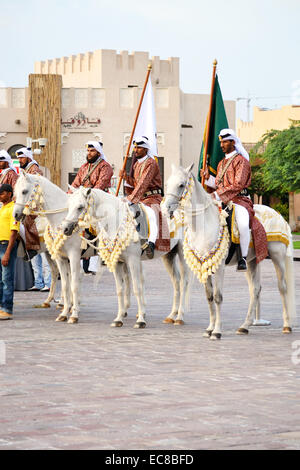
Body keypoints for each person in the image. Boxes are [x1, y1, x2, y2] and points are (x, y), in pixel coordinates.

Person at [201, 128, 268, 270]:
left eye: (225, 142)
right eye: (221, 142)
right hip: (223, 200)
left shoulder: (241, 161)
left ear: (233, 142)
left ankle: (243, 257)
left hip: (240, 200)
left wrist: (217, 194)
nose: (221, 145)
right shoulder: (221, 163)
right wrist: (208, 178)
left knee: (242, 224)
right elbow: (218, 184)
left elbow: (238, 184)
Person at [119, 136, 163, 259]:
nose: (136, 150)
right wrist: (126, 178)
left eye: (139, 147)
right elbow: (136, 184)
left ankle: (151, 244)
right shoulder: (136, 165)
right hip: (141, 198)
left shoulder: (151, 163)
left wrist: (130, 199)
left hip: (153, 197)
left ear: (146, 149)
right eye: (135, 147)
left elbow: (143, 183)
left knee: (150, 214)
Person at [15, 147, 50, 291]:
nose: (20, 161)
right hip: (29, 216)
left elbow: (37, 193)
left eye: (22, 158)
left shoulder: (34, 170)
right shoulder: (25, 171)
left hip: (37, 216)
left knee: (43, 250)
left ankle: (47, 283)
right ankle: (39, 282)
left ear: (28, 158)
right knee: (33, 250)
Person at [0, 184, 20, 320]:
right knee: (0, 280)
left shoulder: (13, 208)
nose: (0, 195)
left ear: (9, 193)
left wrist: (7, 252)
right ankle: (1, 307)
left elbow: (14, 232)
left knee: (7, 279)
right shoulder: (3, 208)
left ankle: (7, 309)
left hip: (7, 245)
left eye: (2, 193)